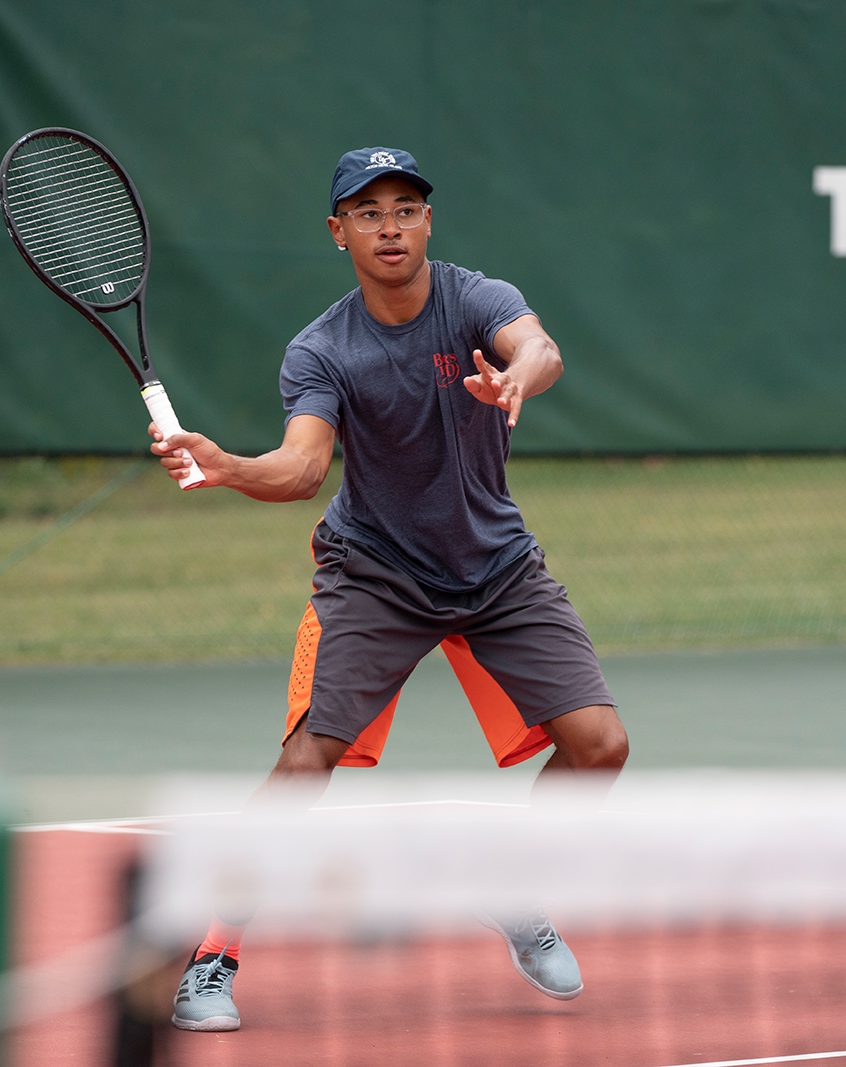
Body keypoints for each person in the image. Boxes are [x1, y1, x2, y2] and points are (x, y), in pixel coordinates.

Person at [149, 147, 629, 1033]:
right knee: (305, 762)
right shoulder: (323, 348)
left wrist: (522, 372)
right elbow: (301, 468)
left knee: (600, 745)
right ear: (339, 233)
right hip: (375, 576)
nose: (390, 225)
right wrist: (229, 467)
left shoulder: (475, 297)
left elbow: (540, 345)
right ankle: (211, 958)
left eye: (405, 207)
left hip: (497, 569)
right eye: (368, 213)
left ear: (428, 221)